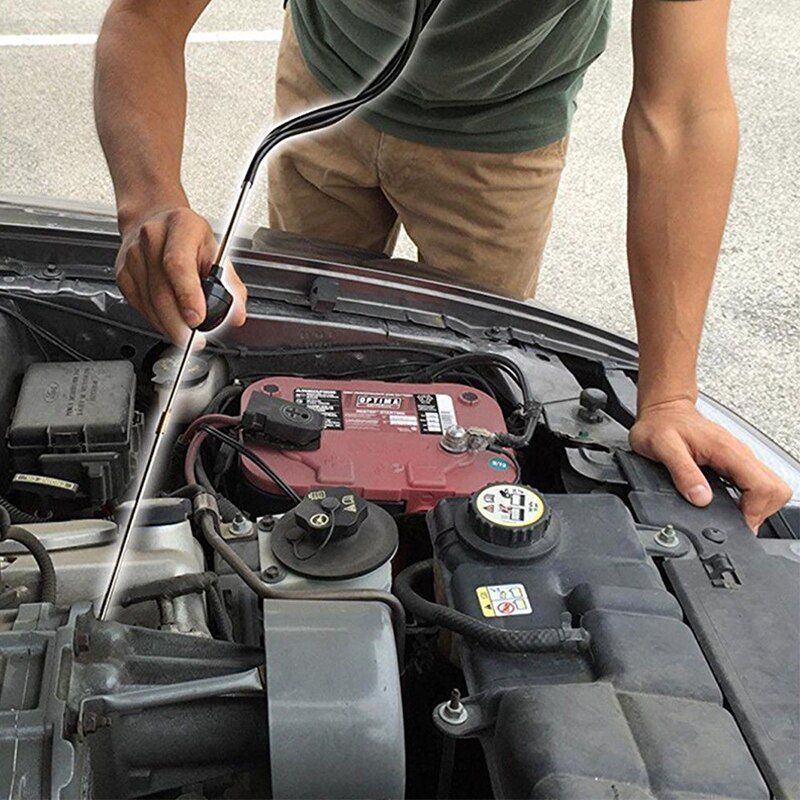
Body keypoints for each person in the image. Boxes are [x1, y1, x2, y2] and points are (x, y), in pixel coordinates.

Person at [94, 0, 791, 530]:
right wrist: (150, 202)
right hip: (326, 92)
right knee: (307, 341)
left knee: (470, 380)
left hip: (499, 131)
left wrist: (668, 397)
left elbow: (685, 112)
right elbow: (146, 15)